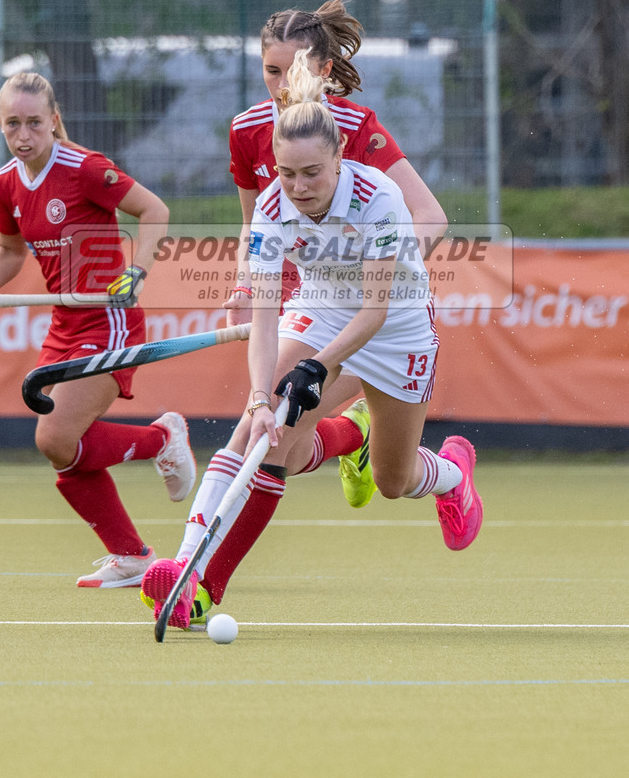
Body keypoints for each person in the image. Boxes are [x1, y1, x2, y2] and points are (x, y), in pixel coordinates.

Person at [141, 50, 482, 629]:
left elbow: (375, 311)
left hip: (396, 329)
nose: (297, 187)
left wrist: (315, 368)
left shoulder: (378, 199)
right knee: (260, 434)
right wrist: (257, 394)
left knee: (393, 482)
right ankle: (191, 570)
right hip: (320, 312)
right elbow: (268, 317)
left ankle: (452, 474)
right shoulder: (273, 208)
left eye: (311, 173)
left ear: (339, 158)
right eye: (285, 172)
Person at [0, 71, 196, 588]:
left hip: (109, 318)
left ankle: (160, 440)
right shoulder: (5, 183)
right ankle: (131, 556)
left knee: (55, 435)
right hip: (67, 323)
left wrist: (139, 271)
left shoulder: (84, 168)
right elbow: (10, 250)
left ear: (54, 121)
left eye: (34, 123)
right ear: (0, 124)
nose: (23, 135)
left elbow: (154, 210)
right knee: (62, 448)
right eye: (12, 124)